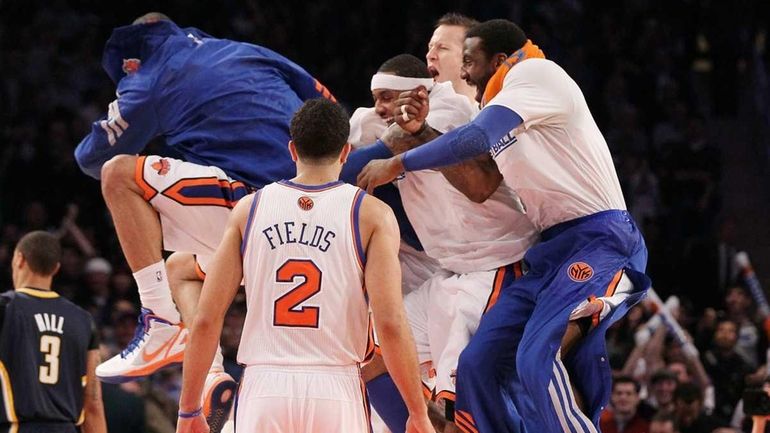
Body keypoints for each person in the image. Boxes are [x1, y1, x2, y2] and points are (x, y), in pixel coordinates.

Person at [357, 18, 651, 433]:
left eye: (468, 61)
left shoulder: (536, 73)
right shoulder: (490, 107)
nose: (463, 72)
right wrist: (419, 133)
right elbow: (477, 181)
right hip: (548, 249)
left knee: (537, 356)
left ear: (498, 59)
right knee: (478, 365)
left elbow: (475, 139)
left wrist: (398, 160)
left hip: (600, 237)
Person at [73, 12, 335, 425]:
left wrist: (127, 107)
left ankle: (159, 322)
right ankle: (212, 374)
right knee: (180, 268)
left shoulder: (150, 76)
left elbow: (91, 158)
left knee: (118, 175)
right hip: (317, 214)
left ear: (131, 63)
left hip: (255, 202)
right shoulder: (244, 50)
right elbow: (327, 107)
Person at [175, 99, 432, 433]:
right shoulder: (371, 214)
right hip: (335, 386)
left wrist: (188, 411)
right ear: (346, 152)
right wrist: (417, 411)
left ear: (292, 150)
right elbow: (390, 323)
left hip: (264, 388)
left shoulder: (249, 211)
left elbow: (207, 319)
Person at [345, 54, 538, 433]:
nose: (378, 107)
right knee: (367, 358)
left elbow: (480, 188)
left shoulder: (453, 109)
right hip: (451, 273)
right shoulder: (384, 122)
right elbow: (342, 177)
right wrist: (390, 139)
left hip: (498, 266)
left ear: (417, 92)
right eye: (375, 98)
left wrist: (409, 142)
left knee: (459, 407)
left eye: (386, 97)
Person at [0, 231, 106, 433]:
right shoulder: (83, 320)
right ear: (56, 268)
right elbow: (93, 402)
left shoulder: (5, 307)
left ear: (19, 259)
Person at [426, 13, 479, 104]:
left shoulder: (497, 110)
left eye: (442, 48)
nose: (429, 55)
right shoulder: (419, 113)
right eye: (430, 47)